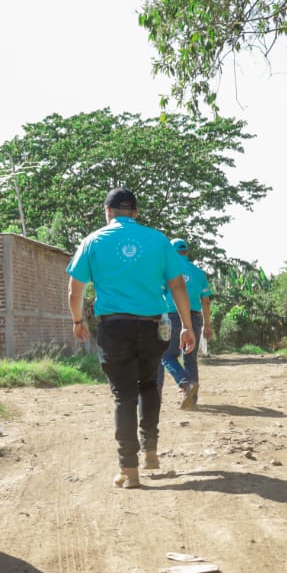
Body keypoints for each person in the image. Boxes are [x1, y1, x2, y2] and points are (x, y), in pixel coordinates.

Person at [67, 188, 195, 488]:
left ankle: (130, 469)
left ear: (107, 211)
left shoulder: (94, 241)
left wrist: (77, 319)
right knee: (149, 385)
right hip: (154, 327)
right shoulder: (158, 240)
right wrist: (187, 326)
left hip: (115, 328)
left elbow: (75, 289)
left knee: (123, 395)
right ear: (135, 213)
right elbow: (177, 286)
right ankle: (150, 450)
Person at [158, 237, 214, 410]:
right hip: (195, 318)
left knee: (166, 355)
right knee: (190, 358)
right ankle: (192, 400)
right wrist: (208, 325)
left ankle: (184, 384)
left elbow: (158, 294)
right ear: (186, 252)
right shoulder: (199, 273)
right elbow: (205, 301)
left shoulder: (166, 271)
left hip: (172, 316)